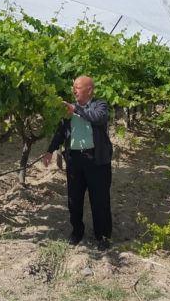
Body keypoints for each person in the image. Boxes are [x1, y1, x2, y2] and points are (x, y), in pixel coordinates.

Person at [41, 75, 113, 249]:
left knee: (100, 200)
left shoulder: (99, 105)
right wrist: (50, 150)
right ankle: (77, 232)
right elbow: (60, 132)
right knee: (74, 199)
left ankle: (103, 237)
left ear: (89, 90)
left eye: (78, 87)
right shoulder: (68, 111)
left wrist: (76, 110)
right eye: (74, 87)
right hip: (75, 159)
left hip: (96, 160)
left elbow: (98, 118)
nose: (74, 90)